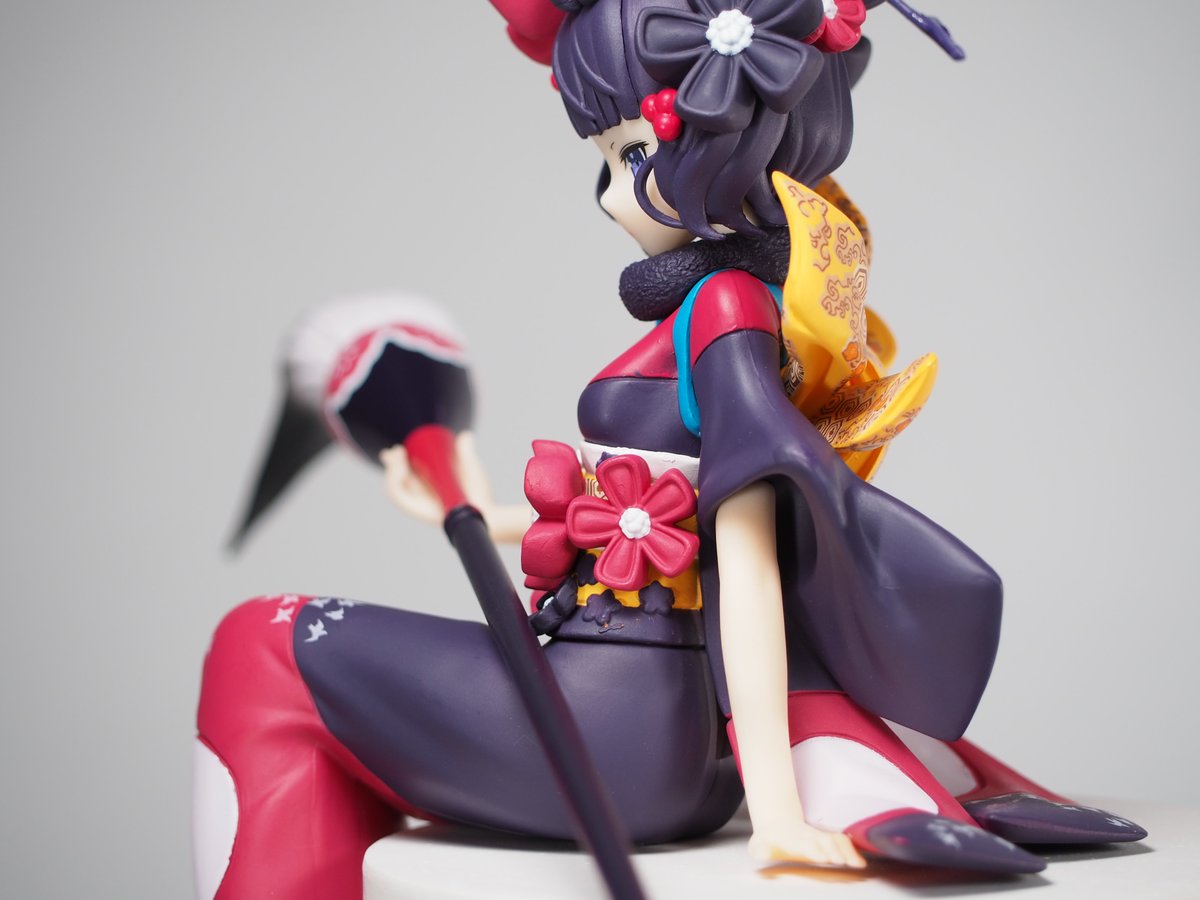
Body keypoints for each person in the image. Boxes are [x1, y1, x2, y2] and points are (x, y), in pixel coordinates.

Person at [194, 2, 1144, 897]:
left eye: (634, 153)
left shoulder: (723, 310)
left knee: (259, 642)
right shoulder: (735, 310)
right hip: (661, 735)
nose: (613, 197)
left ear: (734, 142)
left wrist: (780, 812)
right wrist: (480, 510)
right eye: (604, 164)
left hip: (617, 725)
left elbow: (747, 562)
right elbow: (665, 523)